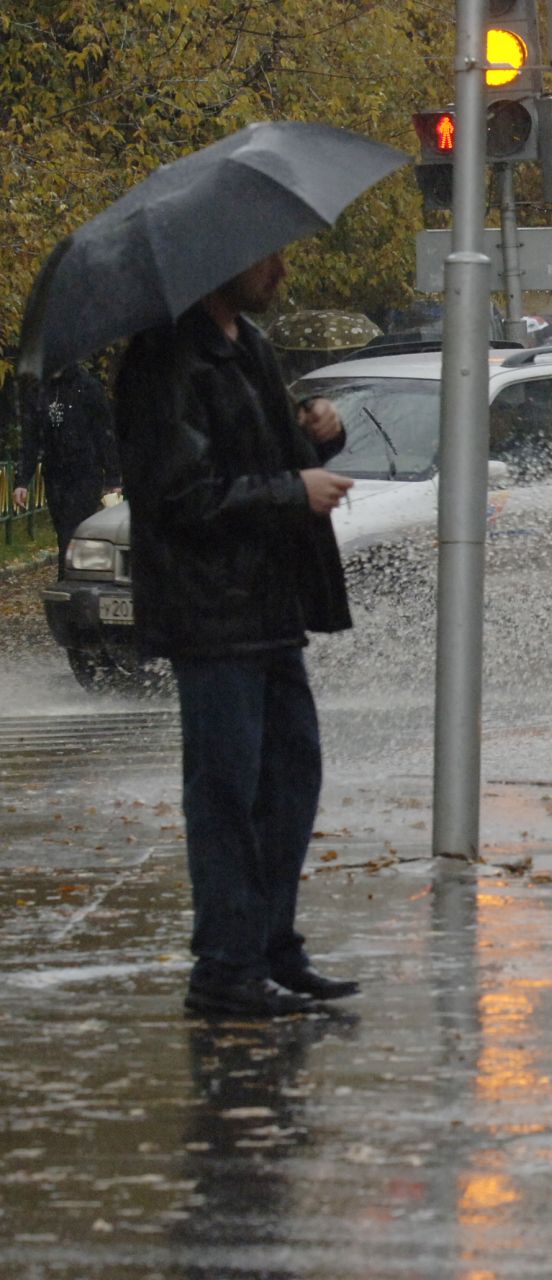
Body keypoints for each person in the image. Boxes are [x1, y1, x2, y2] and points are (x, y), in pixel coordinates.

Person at [115, 249, 360, 1018]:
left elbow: (261, 454)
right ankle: (224, 968)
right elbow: (179, 495)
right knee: (226, 795)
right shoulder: (167, 357)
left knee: (290, 783)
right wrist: (295, 489)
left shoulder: (248, 346)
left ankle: (270, 947)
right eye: (268, 261)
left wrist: (318, 436)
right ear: (222, 261)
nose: (281, 273)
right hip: (212, 613)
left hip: (269, 610)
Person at [12, 361, 119, 561]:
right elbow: (30, 439)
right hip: (55, 475)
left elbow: (104, 433)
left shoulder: (88, 387)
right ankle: (69, 579)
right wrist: (22, 481)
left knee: (75, 530)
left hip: (86, 472)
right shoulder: (38, 391)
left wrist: (113, 477)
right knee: (64, 533)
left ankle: (70, 581)